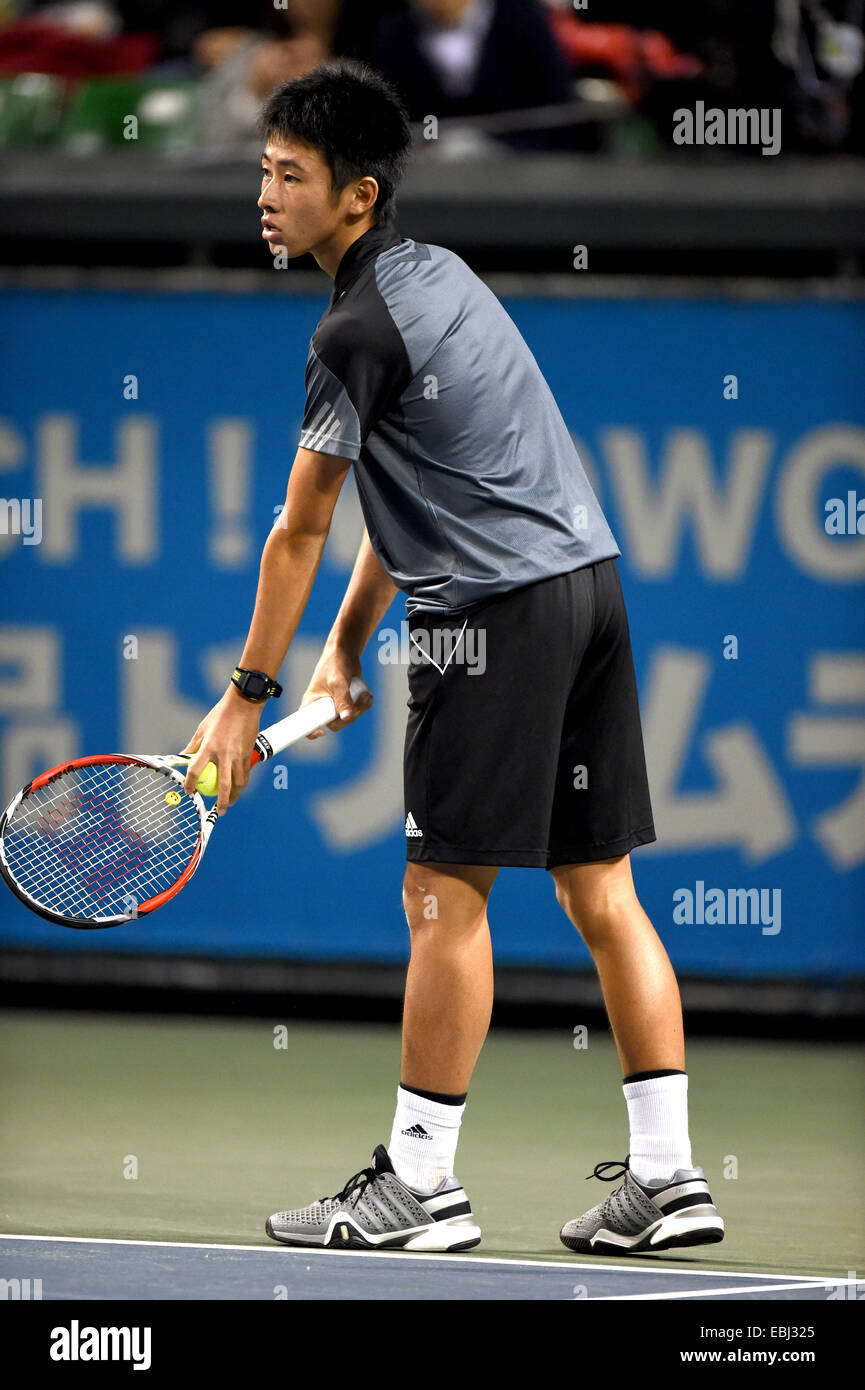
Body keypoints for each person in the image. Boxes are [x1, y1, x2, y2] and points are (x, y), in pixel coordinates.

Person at [181, 59, 725, 1257]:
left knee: (441, 897)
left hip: (498, 620)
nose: (264, 196)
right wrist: (347, 648)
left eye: (290, 177)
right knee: (602, 893)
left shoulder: (350, 330)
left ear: (359, 196)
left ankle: (420, 1186)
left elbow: (303, 524)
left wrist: (243, 700)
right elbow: (417, 493)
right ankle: (670, 1175)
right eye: (262, 171)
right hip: (591, 591)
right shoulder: (441, 281)